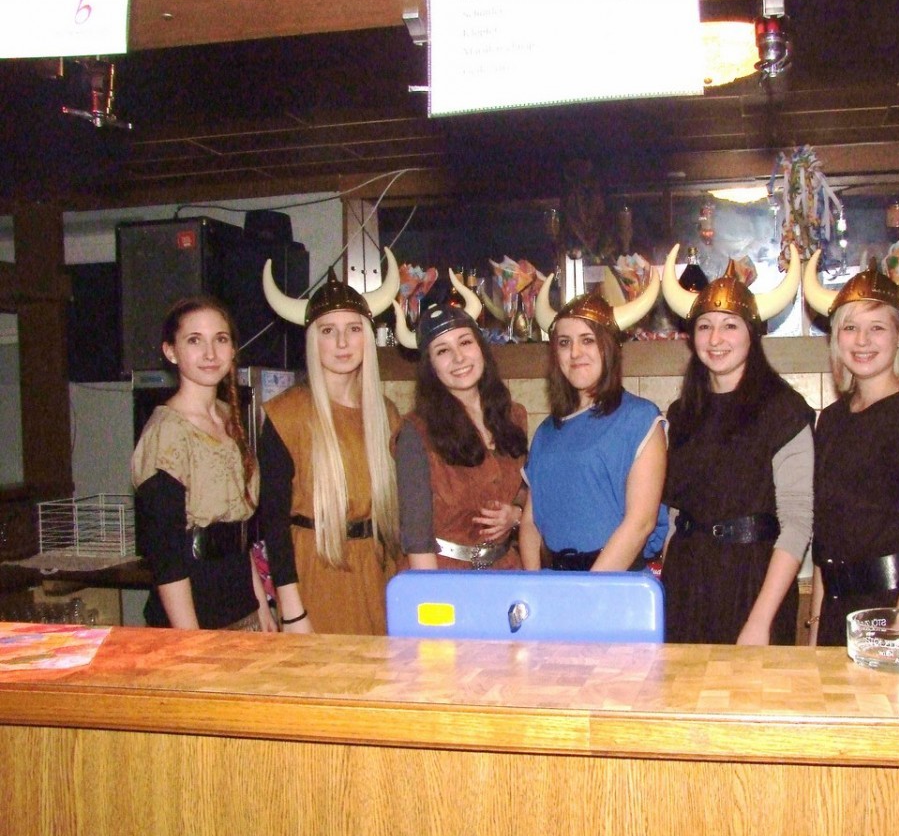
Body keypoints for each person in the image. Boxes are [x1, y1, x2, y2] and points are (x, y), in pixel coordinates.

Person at [658, 244, 814, 645]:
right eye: (704, 326)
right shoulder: (682, 412)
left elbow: (797, 524)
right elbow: (676, 517)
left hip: (753, 583)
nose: (716, 339)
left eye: (730, 325)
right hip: (686, 584)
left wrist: (760, 621)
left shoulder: (784, 410)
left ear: (752, 334)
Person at [802, 257, 899, 646]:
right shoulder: (831, 420)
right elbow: (826, 540)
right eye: (850, 327)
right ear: (836, 337)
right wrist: (817, 626)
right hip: (840, 614)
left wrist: (898, 631)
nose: (862, 341)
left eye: (877, 328)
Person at [257, 252, 403, 635]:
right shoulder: (285, 415)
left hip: (380, 578)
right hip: (317, 577)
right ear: (312, 340)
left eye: (353, 328)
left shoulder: (386, 415)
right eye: (327, 330)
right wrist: (292, 612)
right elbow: (273, 524)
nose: (341, 342)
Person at [131, 295, 273, 631]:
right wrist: (191, 642)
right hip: (193, 622)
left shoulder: (230, 419)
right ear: (171, 351)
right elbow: (167, 557)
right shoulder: (166, 434)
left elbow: (237, 533)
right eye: (195, 340)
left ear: (233, 349)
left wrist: (261, 607)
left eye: (220, 339)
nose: (210, 353)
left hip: (243, 611)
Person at [520, 268, 665, 571]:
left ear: (609, 348)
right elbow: (531, 522)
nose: (575, 353)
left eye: (587, 340)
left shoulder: (640, 419)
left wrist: (589, 590)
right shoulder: (546, 432)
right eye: (564, 342)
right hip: (554, 581)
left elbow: (640, 522)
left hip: (615, 583)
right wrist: (534, 586)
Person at [393, 274, 529, 569]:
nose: (458, 358)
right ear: (430, 366)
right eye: (442, 350)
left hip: (506, 571)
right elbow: (417, 538)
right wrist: (431, 596)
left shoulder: (513, 417)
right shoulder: (416, 433)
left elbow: (525, 493)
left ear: (481, 348)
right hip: (445, 577)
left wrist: (516, 514)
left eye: (465, 342)